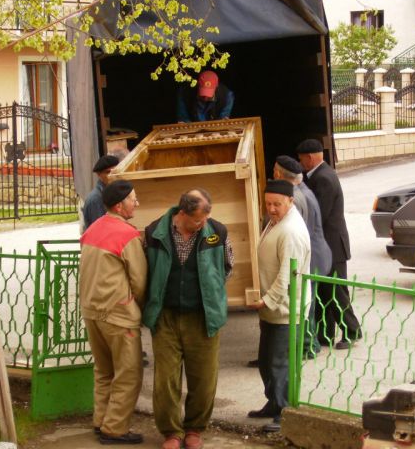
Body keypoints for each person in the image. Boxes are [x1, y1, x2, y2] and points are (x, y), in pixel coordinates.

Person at [142, 189, 234, 449]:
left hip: (203, 316)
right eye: (197, 219)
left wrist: (211, 291)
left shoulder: (218, 232)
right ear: (181, 213)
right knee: (166, 379)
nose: (202, 223)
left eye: (206, 218)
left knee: (204, 378)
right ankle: (171, 432)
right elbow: (144, 270)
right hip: (166, 316)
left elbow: (228, 266)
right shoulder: (154, 233)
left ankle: (195, 428)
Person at [79, 180, 147, 445]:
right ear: (120, 205)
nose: (137, 203)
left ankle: (101, 421)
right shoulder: (127, 234)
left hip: (92, 311)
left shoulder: (93, 229)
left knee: (104, 370)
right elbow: (139, 280)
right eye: (134, 199)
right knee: (128, 373)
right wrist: (139, 307)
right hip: (118, 314)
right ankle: (115, 428)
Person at [247, 179, 311, 433]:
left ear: (291, 202)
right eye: (268, 204)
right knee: (266, 361)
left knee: (279, 363)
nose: (271, 209)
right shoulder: (277, 222)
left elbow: (288, 275)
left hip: (286, 309)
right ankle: (274, 403)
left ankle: (285, 411)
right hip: (272, 310)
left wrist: (267, 300)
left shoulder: (291, 230)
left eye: (277, 204)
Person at [296, 139, 361, 350]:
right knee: (325, 291)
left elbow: (319, 215)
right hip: (330, 245)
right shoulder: (322, 174)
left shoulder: (323, 178)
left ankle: (352, 332)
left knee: (336, 292)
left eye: (301, 159)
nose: (301, 163)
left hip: (333, 246)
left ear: (310, 157)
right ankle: (326, 334)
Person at [274, 155, 332, 359]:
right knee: (308, 303)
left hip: (310, 258)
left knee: (304, 304)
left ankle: (308, 346)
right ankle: (311, 344)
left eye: (274, 170)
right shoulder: (301, 190)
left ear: (279, 174)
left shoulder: (294, 198)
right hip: (316, 255)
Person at [82, 155, 119, 231]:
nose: (111, 175)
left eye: (114, 171)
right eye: (108, 172)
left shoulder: (112, 193)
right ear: (99, 175)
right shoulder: (96, 199)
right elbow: (100, 231)